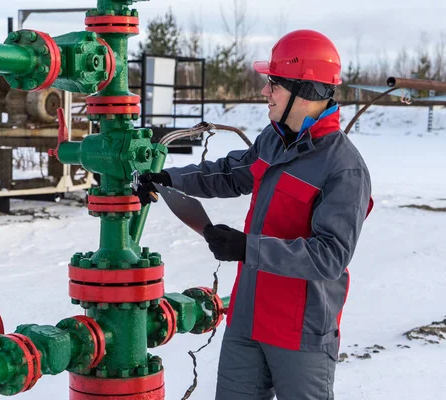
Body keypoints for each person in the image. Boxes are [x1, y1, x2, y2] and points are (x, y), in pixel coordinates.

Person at [137, 29, 373, 400]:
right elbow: (232, 174)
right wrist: (169, 178)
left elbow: (330, 256)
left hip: (300, 331)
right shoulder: (274, 139)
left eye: (273, 83)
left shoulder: (344, 169)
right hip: (246, 319)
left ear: (304, 89)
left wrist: (248, 248)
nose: (265, 92)